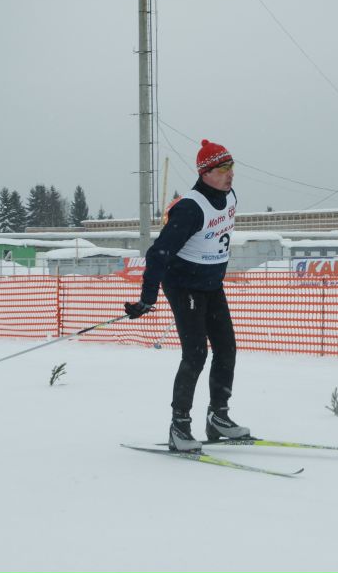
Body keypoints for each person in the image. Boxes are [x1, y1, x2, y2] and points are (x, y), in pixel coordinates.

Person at [124, 139, 251, 451]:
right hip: (184, 285)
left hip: (211, 284)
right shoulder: (190, 208)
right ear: (205, 172)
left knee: (227, 348)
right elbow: (158, 254)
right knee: (196, 354)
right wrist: (147, 298)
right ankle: (179, 427)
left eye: (232, 166)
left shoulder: (229, 196)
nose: (230, 174)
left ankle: (218, 417)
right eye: (223, 168)